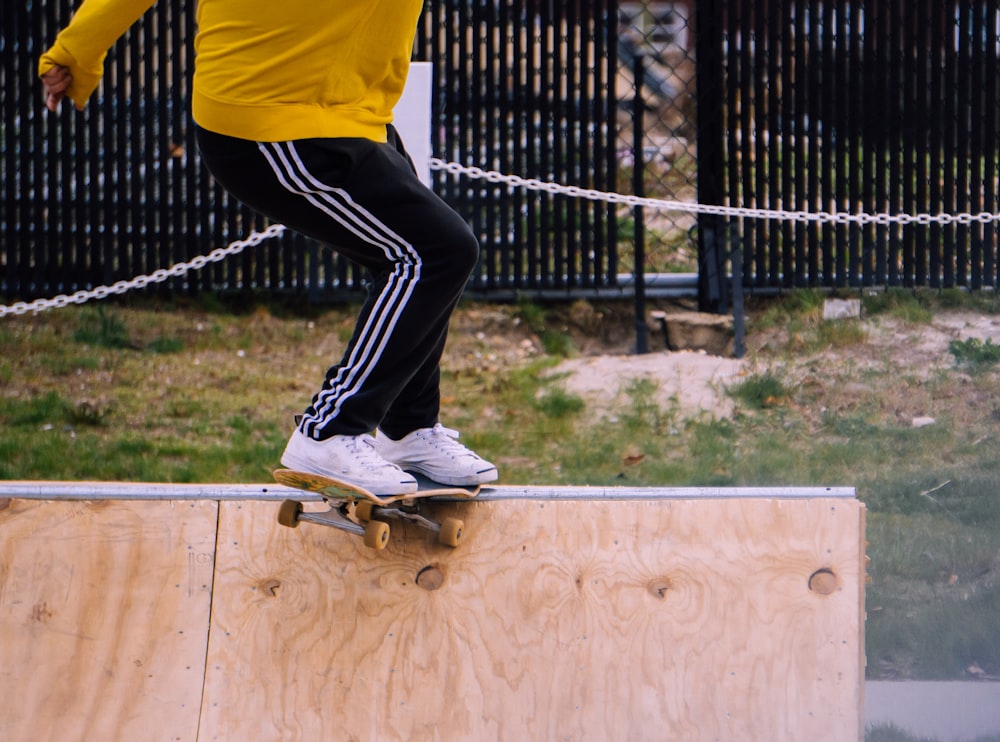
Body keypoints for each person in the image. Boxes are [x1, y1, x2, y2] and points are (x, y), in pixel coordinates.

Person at [40, 0, 498, 494]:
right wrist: (77, 47)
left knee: (421, 254)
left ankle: (406, 429)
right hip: (271, 119)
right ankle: (328, 432)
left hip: (346, 116)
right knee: (435, 251)